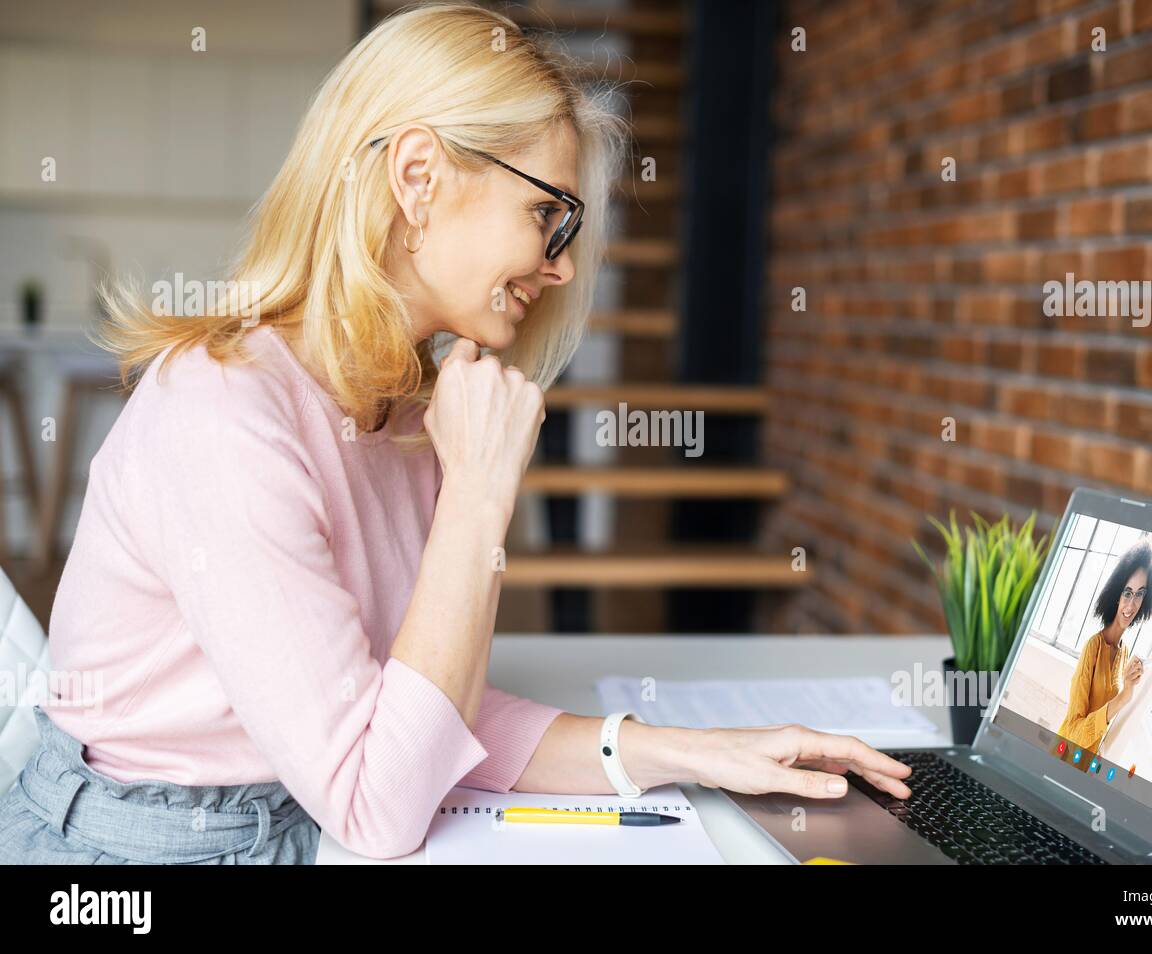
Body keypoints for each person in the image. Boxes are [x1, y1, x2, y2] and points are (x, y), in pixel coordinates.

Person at [0, 2, 910, 864]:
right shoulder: (224, 416)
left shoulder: (404, 407)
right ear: (419, 177)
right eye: (548, 215)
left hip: (296, 816)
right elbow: (375, 800)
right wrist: (478, 492)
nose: (558, 268)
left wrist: (701, 755)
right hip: (132, 850)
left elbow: (423, 725)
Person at [1057, 541, 1152, 759]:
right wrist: (1124, 696)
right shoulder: (1093, 647)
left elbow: (1106, 717)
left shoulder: (1124, 652)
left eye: (1140, 594)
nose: (1131, 605)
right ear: (1116, 594)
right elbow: (1074, 733)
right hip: (1065, 760)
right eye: (1127, 592)